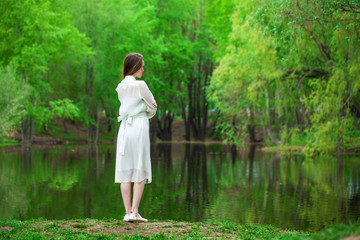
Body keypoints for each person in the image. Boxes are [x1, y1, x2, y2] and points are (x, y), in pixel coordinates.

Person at [115, 53, 157, 222]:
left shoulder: (120, 86)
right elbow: (153, 106)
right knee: (140, 167)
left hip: (125, 128)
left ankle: (127, 213)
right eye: (142, 65)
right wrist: (149, 110)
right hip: (138, 126)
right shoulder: (141, 85)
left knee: (125, 170)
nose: (143, 68)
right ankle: (135, 212)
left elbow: (126, 106)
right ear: (135, 66)